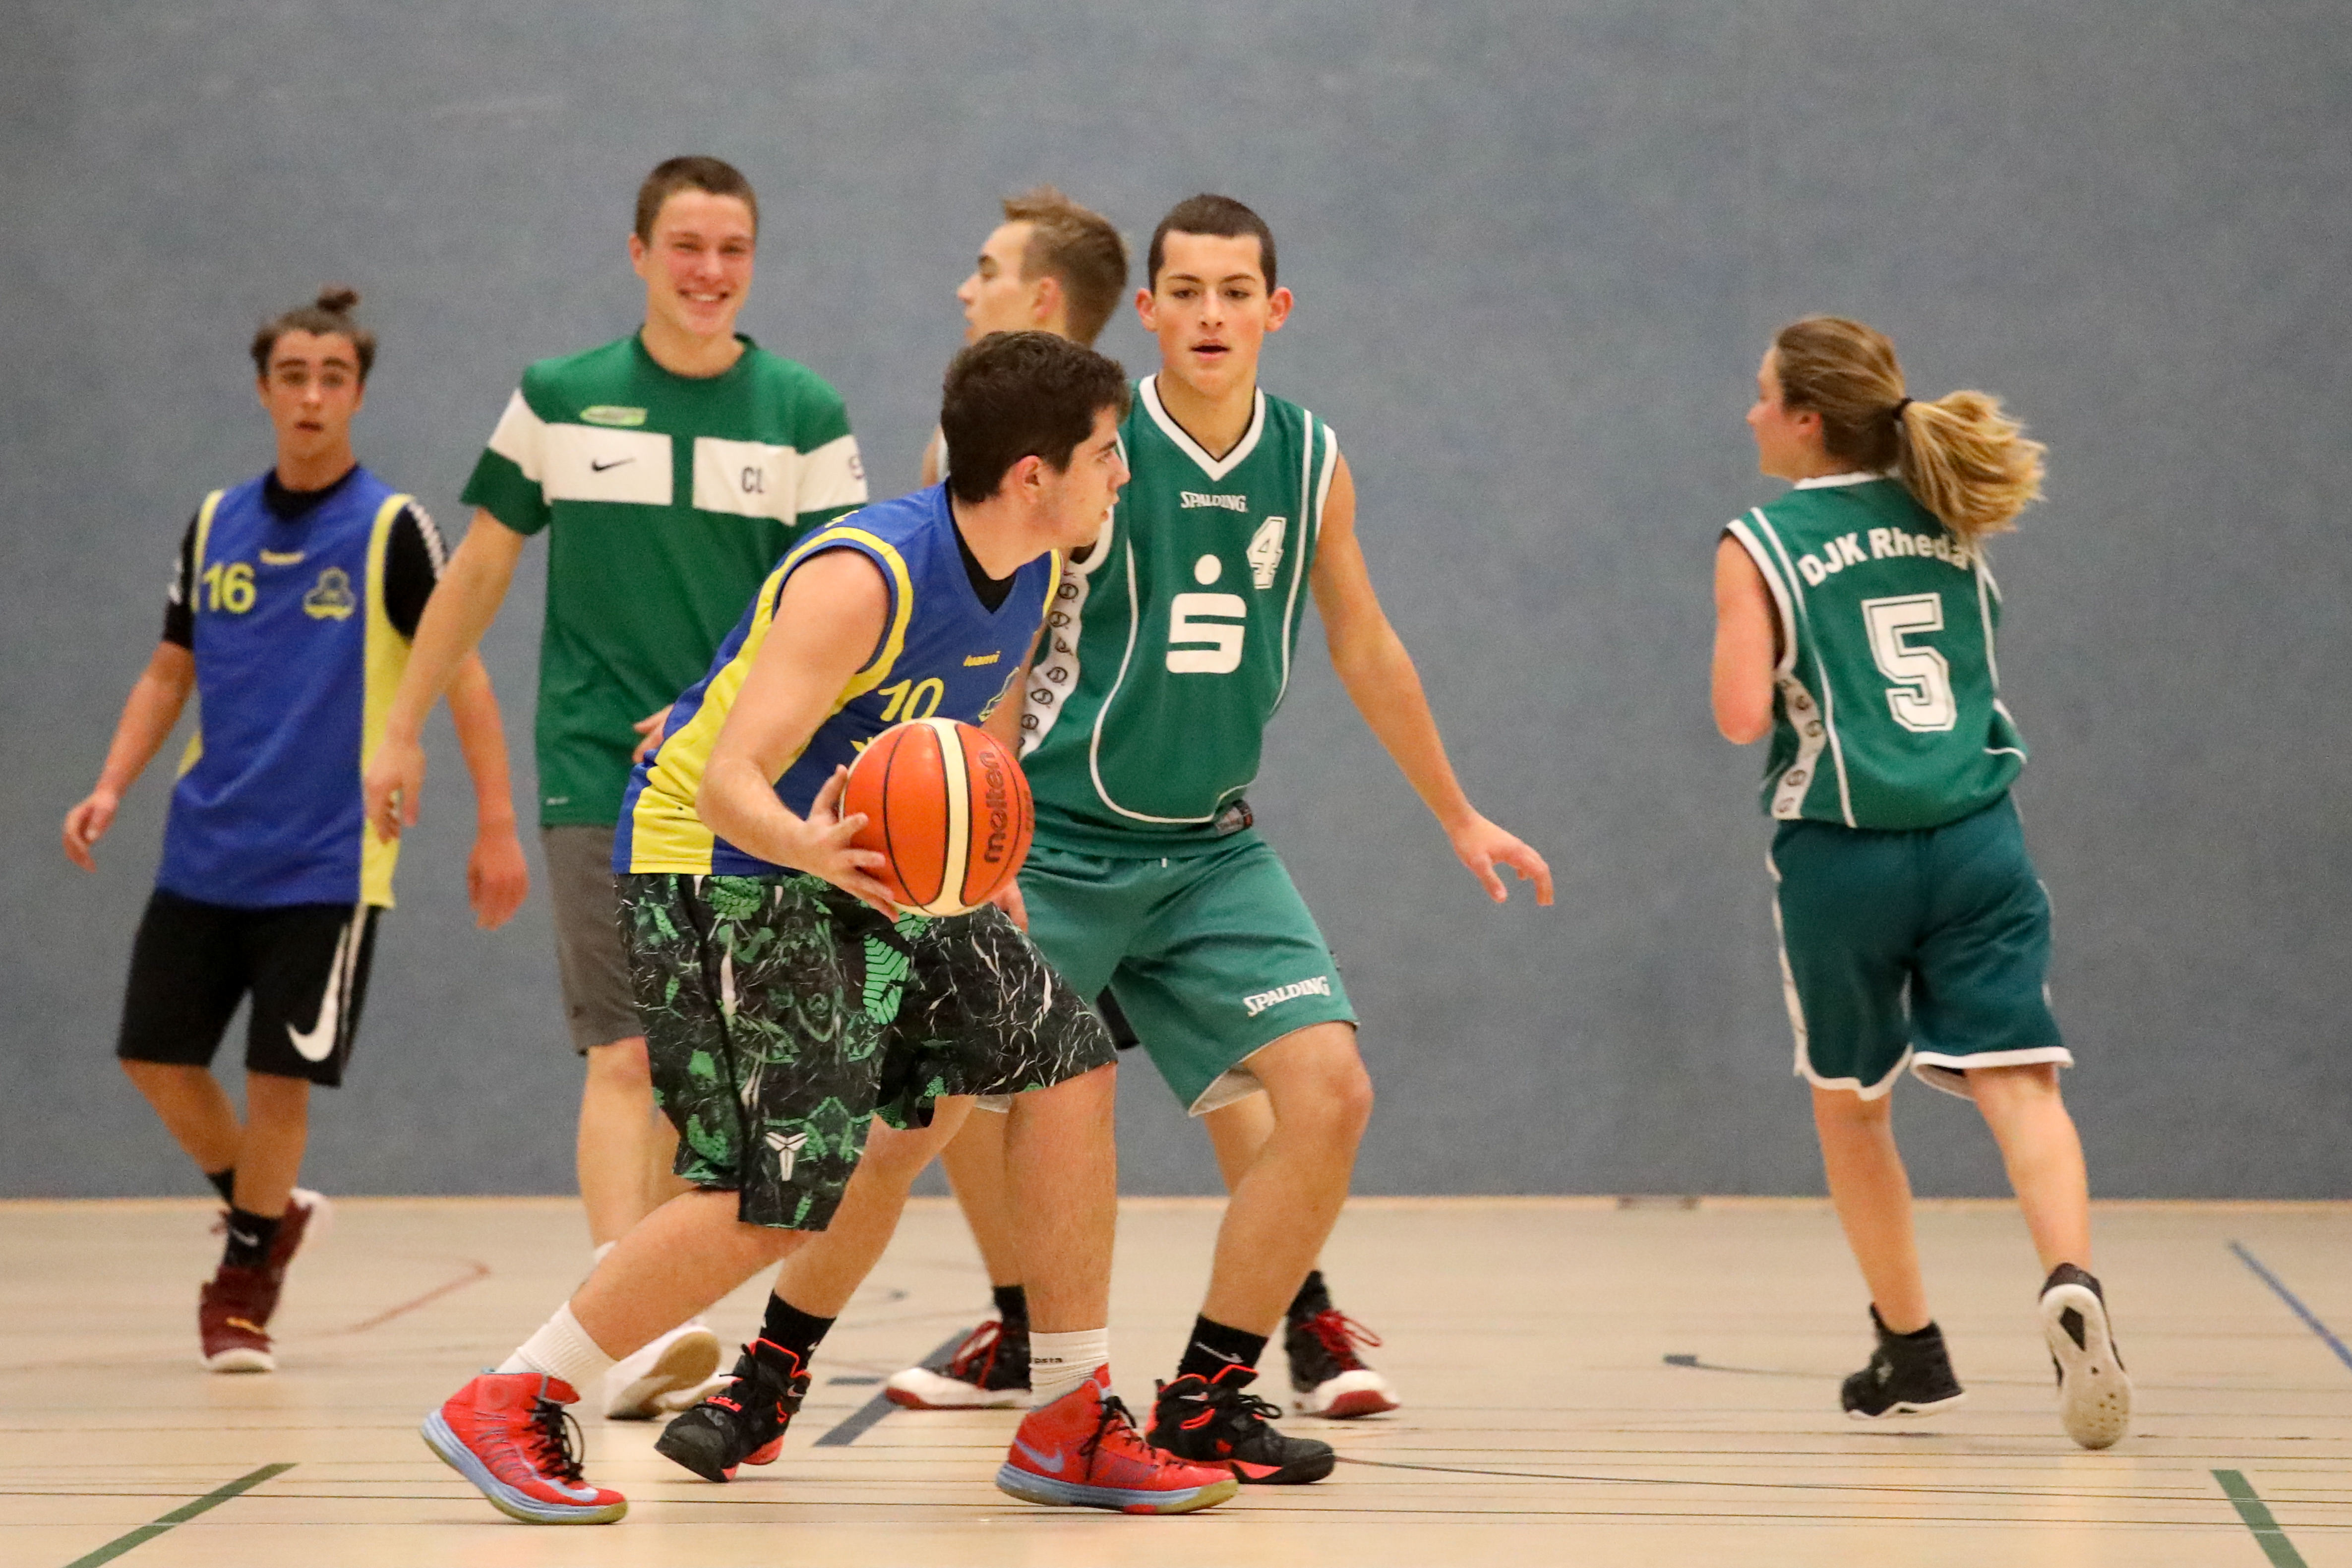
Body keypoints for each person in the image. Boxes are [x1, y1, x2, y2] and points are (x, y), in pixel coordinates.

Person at [420, 331, 1238, 1523]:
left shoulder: (1034, 565)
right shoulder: (862, 577)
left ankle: (1069, 1416)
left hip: (862, 865)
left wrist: (985, 856)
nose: (1122, 472)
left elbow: (966, 728)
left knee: (1066, 1062)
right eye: (1106, 451)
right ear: (1032, 475)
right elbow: (726, 779)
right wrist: (806, 849)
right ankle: (510, 1396)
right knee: (774, 1197)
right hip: (720, 863)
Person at [883, 189, 1410, 1425]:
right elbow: (974, 654)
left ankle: (1282, 1321)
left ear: (1043, 301)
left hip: (1172, 839)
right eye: (1189, 292)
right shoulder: (999, 460)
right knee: (962, 1093)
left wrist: (1454, 810)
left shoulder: (1131, 448)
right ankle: (1019, 1334)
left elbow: (1357, 635)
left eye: (986, 270)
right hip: (1045, 832)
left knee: (1264, 1084)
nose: (966, 289)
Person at [363, 156, 870, 1419]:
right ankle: (626, 1335)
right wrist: (402, 728)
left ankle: (634, 1317)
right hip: (599, 769)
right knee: (627, 1051)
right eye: (686, 245)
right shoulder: (560, 398)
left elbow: (838, 603)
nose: (709, 271)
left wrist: (714, 706)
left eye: (732, 249)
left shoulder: (802, 412)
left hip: (746, 786)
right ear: (639, 253)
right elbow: (477, 571)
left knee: (712, 1075)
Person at [63, 287, 528, 1374]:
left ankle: (242, 1282)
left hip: (328, 857)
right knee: (154, 1055)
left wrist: (497, 824)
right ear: (263, 390)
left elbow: (462, 678)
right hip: (207, 842)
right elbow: (168, 669)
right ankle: (266, 1208)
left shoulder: (393, 529)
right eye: (293, 376)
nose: (312, 395)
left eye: (333, 378)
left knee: (280, 1077)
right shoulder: (214, 524)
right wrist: (111, 783)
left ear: (357, 394)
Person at [1711, 314, 2130, 1450]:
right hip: (1976, 838)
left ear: (1806, 420)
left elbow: (1740, 715)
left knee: (1851, 1105)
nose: (1749, 413)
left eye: (1762, 395)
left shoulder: (1759, 541)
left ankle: (1909, 1347)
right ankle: (2070, 1278)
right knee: (2020, 1084)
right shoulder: (1949, 515)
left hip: (1843, 855)